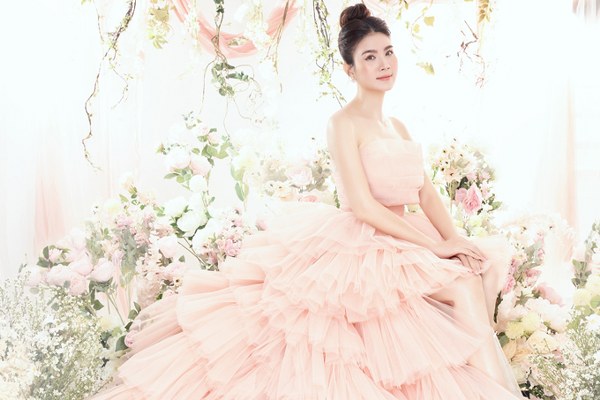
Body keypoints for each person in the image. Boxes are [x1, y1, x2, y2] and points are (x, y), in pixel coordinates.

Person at [90, 3, 524, 399]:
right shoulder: (343, 123)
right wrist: (434, 247)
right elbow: (362, 206)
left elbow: (425, 192)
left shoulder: (398, 126)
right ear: (350, 69)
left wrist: (454, 240)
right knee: (462, 288)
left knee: (475, 271)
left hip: (407, 236)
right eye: (370, 57)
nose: (384, 64)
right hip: (367, 242)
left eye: (388, 52)